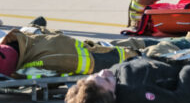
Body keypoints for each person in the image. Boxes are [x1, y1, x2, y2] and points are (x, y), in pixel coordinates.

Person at [65, 57, 190, 103]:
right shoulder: (136, 93)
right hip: (189, 66)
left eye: (97, 74)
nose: (104, 71)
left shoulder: (116, 82)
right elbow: (183, 102)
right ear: (113, 96)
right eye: (106, 80)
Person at [0, 25, 138, 77]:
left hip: (97, 54)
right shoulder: (15, 37)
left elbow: (98, 61)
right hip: (90, 49)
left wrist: (136, 56)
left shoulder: (55, 57)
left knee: (143, 50)